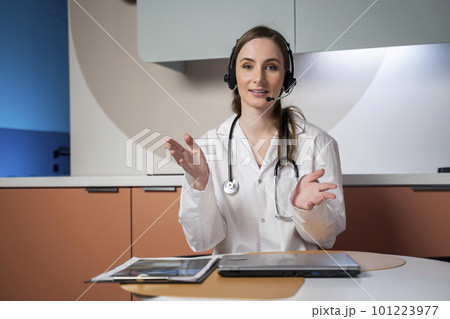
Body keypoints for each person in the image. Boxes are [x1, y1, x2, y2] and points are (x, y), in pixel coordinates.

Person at [166, 26, 345, 255]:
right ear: (233, 75)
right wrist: (200, 184)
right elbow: (201, 241)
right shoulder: (208, 148)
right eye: (248, 66)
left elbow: (327, 239)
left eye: (271, 67)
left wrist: (306, 210)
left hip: (297, 279)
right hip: (232, 284)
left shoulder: (319, 142)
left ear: (286, 78)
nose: (258, 78)